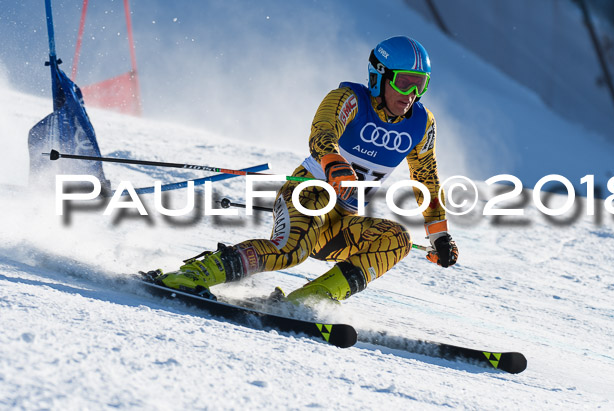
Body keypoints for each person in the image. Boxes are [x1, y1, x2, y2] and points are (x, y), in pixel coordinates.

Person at [147, 36, 459, 304]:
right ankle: (190, 275)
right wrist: (334, 163)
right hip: (307, 193)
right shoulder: (349, 99)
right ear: (379, 75)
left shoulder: (422, 123)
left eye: (420, 85)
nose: (410, 95)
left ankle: (310, 301)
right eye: (403, 82)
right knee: (290, 251)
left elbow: (426, 179)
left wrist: (439, 236)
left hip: (341, 222)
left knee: (397, 240)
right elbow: (322, 134)